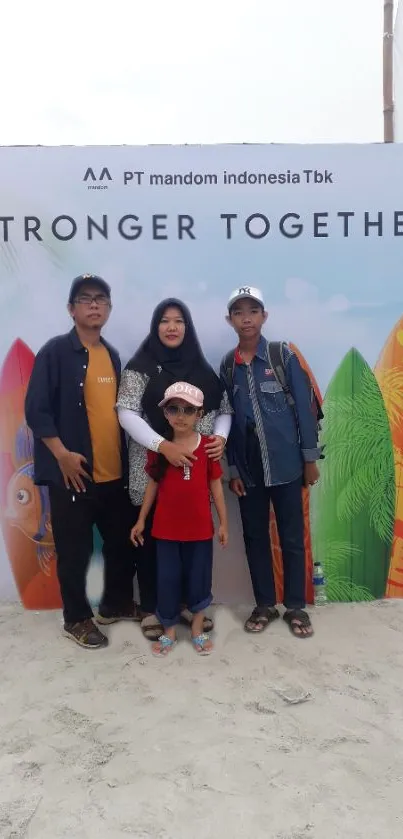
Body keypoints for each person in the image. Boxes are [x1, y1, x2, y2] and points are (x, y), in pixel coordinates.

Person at [25, 274, 137, 649]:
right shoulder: (54, 353)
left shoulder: (113, 355)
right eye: (85, 299)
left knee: (122, 542)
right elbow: (37, 412)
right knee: (74, 551)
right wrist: (61, 456)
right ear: (71, 309)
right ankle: (76, 618)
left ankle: (115, 603)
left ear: (108, 308)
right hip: (72, 475)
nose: (94, 305)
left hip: (114, 474)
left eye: (101, 299)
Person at [117, 298, 232, 641]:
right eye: (164, 321)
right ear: (155, 327)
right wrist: (161, 446)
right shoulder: (139, 366)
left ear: (187, 327)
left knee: (190, 547)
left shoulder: (201, 368)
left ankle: (187, 605)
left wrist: (220, 438)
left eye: (178, 321)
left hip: (194, 473)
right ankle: (154, 608)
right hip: (150, 469)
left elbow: (224, 409)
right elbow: (126, 412)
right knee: (155, 543)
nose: (171, 327)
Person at [220, 287, 321, 639]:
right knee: (255, 538)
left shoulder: (283, 357)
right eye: (238, 312)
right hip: (248, 474)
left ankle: (295, 607)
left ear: (264, 316)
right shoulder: (227, 366)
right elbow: (227, 421)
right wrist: (232, 469)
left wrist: (309, 459)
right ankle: (264, 604)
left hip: (288, 467)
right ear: (229, 319)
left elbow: (306, 415)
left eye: (253, 310)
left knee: (293, 539)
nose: (246, 318)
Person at [130, 382, 228, 656]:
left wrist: (224, 524)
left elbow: (216, 486)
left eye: (188, 409)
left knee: (199, 580)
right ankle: (169, 631)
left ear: (200, 414)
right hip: (166, 531)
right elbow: (152, 486)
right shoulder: (160, 449)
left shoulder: (209, 447)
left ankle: (197, 629)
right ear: (165, 413)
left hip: (199, 531)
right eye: (174, 408)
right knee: (168, 580)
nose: (180, 415)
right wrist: (140, 521)